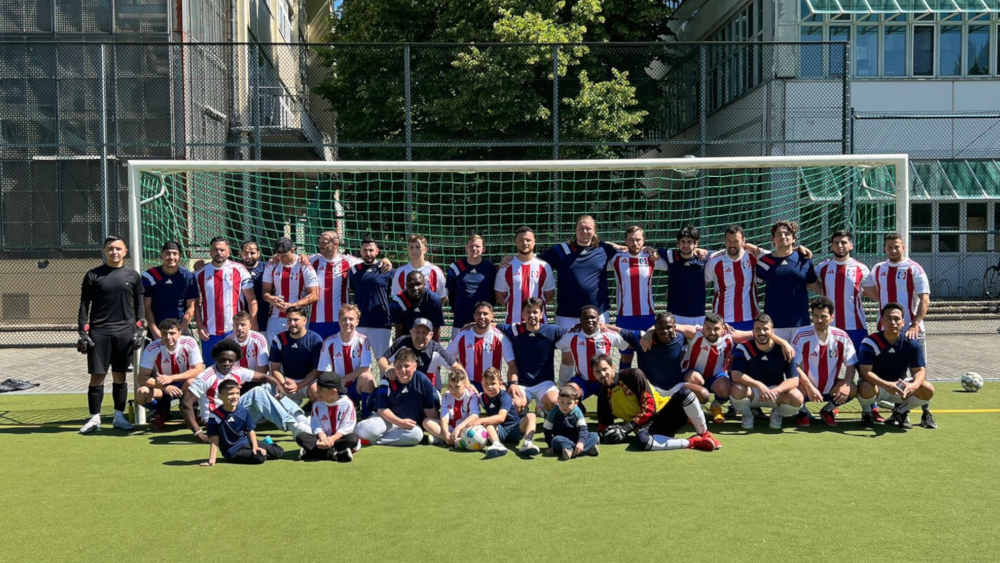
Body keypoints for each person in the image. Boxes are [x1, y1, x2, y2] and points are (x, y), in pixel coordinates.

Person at [861, 233, 933, 424]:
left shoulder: (914, 268)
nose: (893, 250)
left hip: (911, 330)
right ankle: (887, 409)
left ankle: (925, 412)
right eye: (890, 247)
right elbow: (866, 289)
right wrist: (885, 297)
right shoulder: (879, 268)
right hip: (884, 331)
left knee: (919, 372)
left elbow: (924, 298)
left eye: (897, 247)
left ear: (904, 248)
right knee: (880, 371)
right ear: (885, 249)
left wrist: (915, 323)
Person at [77, 235, 145, 434]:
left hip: (125, 331)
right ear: (105, 252)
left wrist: (140, 329)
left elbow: (140, 306)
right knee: (97, 375)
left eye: (118, 248)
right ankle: (94, 417)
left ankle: (118, 416)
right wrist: (83, 331)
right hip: (99, 332)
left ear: (125, 252)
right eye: (110, 249)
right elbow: (83, 305)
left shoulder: (133, 276)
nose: (114, 252)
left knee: (120, 375)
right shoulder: (92, 275)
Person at [182, 339, 311, 441]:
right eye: (223, 360)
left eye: (230, 360)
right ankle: (293, 427)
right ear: (216, 359)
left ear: (235, 360)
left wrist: (277, 384)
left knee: (268, 386)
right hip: (218, 422)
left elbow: (263, 376)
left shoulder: (236, 370)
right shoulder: (206, 376)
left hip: (235, 416)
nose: (227, 363)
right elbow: (186, 403)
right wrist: (198, 433)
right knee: (258, 392)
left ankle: (300, 418)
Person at [682, 312, 793, 424]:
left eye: (716, 328)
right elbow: (674, 326)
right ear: (703, 327)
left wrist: (784, 343)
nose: (712, 332)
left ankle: (715, 406)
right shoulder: (694, 333)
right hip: (693, 374)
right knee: (696, 379)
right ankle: (694, 411)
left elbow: (761, 332)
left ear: (723, 328)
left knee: (725, 388)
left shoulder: (730, 337)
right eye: (708, 328)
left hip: (715, 376)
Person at [592, 356, 720, 451]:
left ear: (612, 367)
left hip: (666, 414)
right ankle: (693, 442)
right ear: (594, 374)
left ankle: (705, 434)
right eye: (598, 372)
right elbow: (604, 426)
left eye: (605, 369)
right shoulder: (603, 395)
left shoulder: (633, 375)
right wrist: (606, 434)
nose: (602, 374)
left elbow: (650, 408)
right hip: (648, 429)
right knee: (643, 441)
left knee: (684, 394)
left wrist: (625, 428)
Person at [857, 303, 936, 429]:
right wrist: (886, 385)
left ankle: (900, 412)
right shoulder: (870, 342)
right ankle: (867, 412)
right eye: (889, 318)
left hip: (900, 386)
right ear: (882, 321)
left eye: (897, 319)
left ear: (903, 322)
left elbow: (920, 371)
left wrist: (912, 385)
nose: (893, 322)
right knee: (865, 387)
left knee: (927, 388)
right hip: (878, 387)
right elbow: (865, 372)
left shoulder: (911, 343)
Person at [540, 215, 618, 330]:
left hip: (597, 314)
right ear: (576, 230)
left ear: (594, 231)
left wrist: (647, 250)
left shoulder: (604, 249)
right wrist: (512, 258)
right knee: (568, 348)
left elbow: (630, 250)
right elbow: (533, 261)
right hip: (567, 315)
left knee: (598, 348)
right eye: (581, 228)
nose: (584, 231)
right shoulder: (560, 250)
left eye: (588, 228)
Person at [730, 314, 806, 431]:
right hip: (753, 392)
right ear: (753, 331)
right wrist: (759, 385)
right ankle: (748, 415)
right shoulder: (744, 347)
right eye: (758, 329)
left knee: (797, 397)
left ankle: (777, 414)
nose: (761, 332)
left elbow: (794, 380)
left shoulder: (784, 349)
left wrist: (776, 391)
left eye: (765, 329)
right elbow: (736, 375)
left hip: (775, 394)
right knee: (737, 389)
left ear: (772, 331)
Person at [792, 297, 858, 428]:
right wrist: (809, 387)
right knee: (790, 391)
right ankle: (802, 412)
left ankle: (828, 410)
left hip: (830, 387)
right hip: (806, 387)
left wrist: (846, 383)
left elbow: (851, 364)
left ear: (832, 317)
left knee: (853, 389)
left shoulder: (841, 336)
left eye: (823, 316)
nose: (819, 320)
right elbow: (795, 366)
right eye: (815, 316)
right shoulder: (801, 335)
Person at [356, 349, 440, 446]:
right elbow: (382, 410)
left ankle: (374, 441)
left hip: (408, 425)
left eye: (406, 366)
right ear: (394, 366)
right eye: (399, 366)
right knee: (365, 429)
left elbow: (429, 413)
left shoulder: (423, 381)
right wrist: (400, 422)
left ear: (415, 366)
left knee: (417, 435)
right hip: (386, 420)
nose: (402, 370)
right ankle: (361, 434)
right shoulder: (387, 379)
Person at [195, 236, 258, 364]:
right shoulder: (200, 273)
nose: (219, 253)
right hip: (209, 332)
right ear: (210, 251)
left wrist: (252, 324)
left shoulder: (240, 270)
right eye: (215, 250)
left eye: (222, 250)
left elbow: (251, 300)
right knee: (211, 370)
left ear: (228, 251)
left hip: (235, 330)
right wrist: (200, 326)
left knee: (235, 368)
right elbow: (195, 304)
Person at [495, 297, 565, 414]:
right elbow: (492, 325)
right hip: (521, 383)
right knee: (513, 406)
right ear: (523, 314)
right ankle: (523, 409)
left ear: (541, 315)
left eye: (535, 312)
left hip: (545, 382)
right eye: (528, 312)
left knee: (555, 403)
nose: (532, 315)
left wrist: (604, 327)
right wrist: (471, 325)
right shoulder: (514, 329)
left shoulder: (552, 331)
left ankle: (542, 406)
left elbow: (574, 332)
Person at [608, 226, 664, 368]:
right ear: (625, 241)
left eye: (638, 240)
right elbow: (600, 246)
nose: (635, 243)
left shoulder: (651, 258)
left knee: (646, 357)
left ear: (644, 241)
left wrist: (653, 250)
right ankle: (623, 389)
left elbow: (674, 261)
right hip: (624, 317)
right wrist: (617, 247)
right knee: (626, 357)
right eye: (631, 240)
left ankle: (646, 389)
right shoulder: (616, 259)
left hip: (647, 317)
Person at [755, 221, 820, 342]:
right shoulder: (764, 262)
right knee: (778, 360)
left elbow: (815, 285)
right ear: (773, 239)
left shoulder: (804, 259)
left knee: (801, 360)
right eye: (779, 234)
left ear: (794, 238)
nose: (783, 236)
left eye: (787, 234)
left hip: (800, 323)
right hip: (774, 324)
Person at [136, 318, 205, 430]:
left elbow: (199, 369)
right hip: (163, 386)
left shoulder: (189, 342)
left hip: (185, 385)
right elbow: (142, 378)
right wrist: (164, 387)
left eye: (172, 333)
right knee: (141, 392)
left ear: (179, 332)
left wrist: (171, 378)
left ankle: (189, 409)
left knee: (192, 381)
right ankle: (161, 412)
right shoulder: (152, 348)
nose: (168, 337)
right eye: (164, 333)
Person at [200, 379, 285, 466]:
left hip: (247, 443)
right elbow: (214, 440)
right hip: (232, 451)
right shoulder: (214, 416)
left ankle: (266, 444)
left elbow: (250, 430)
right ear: (220, 396)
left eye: (237, 393)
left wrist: (255, 446)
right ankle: (263, 450)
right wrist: (212, 459)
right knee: (259, 457)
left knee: (279, 452)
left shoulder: (244, 411)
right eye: (230, 394)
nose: (235, 396)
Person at [556, 305, 630, 402]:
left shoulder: (608, 335)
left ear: (598, 319)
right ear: (580, 320)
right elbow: (555, 345)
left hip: (604, 380)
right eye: (586, 318)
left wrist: (621, 373)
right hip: (582, 381)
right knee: (567, 394)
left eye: (593, 317)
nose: (590, 320)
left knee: (620, 399)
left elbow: (627, 347)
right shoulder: (572, 336)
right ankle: (578, 411)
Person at [317, 305, 377, 418]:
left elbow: (365, 368)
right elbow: (325, 372)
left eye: (351, 319)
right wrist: (337, 384)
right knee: (316, 388)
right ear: (339, 321)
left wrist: (344, 380)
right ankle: (326, 414)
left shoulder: (363, 340)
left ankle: (366, 416)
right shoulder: (329, 342)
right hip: (336, 386)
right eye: (344, 319)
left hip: (355, 385)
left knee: (367, 378)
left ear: (357, 322)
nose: (347, 322)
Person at [815, 230, 871, 352]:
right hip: (829, 326)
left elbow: (872, 292)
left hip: (856, 325)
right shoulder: (822, 267)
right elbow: (810, 283)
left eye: (844, 242)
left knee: (861, 366)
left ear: (851, 245)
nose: (840, 246)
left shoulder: (861, 268)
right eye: (836, 243)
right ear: (831, 246)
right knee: (828, 367)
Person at [446, 301, 518, 391]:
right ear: (474, 316)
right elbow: (447, 357)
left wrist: (512, 384)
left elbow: (511, 365)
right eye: (478, 313)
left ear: (492, 316)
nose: (482, 317)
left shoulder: (500, 338)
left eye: (485, 314)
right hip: (468, 384)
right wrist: (460, 373)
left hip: (492, 384)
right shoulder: (463, 335)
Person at [619, 312, 697, 393]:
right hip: (650, 391)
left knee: (702, 393)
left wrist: (651, 330)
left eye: (669, 327)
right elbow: (619, 331)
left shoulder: (681, 338)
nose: (665, 331)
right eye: (661, 328)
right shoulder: (643, 339)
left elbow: (694, 332)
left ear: (674, 327)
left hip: (675, 389)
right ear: (656, 328)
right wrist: (604, 327)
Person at [262, 237, 319, 344]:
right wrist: (271, 299)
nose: (281, 258)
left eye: (284, 255)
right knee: (273, 352)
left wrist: (293, 305)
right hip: (276, 318)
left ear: (293, 250)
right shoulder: (272, 264)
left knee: (297, 353)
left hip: (297, 317)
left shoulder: (304, 265)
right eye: (279, 254)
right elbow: (265, 292)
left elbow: (315, 295)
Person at [493, 226, 554, 324]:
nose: (525, 243)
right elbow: (500, 296)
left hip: (539, 324)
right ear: (516, 243)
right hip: (513, 323)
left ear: (534, 242)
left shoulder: (544, 267)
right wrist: (515, 306)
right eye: (521, 240)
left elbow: (549, 295)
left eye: (528, 240)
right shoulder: (506, 267)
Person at [704, 225, 759, 332]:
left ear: (743, 241)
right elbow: (702, 283)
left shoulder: (754, 257)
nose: (732, 244)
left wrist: (796, 248)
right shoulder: (715, 261)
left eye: (736, 241)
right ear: (725, 242)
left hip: (750, 319)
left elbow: (777, 255)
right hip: (722, 321)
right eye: (728, 241)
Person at [295, 372, 360, 462]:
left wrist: (332, 439)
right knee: (301, 437)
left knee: (353, 438)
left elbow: (347, 427)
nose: (317, 392)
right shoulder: (317, 405)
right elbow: (316, 425)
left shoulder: (347, 404)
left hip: (339, 438)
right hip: (323, 438)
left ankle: (315, 452)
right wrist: (323, 438)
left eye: (320, 390)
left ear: (333, 391)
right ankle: (336, 453)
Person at [378, 318, 458, 390]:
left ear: (431, 335)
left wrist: (466, 383)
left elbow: (455, 366)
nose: (420, 336)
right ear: (411, 332)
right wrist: (387, 368)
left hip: (425, 389)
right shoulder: (402, 342)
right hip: (402, 386)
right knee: (383, 386)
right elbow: (382, 359)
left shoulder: (435, 349)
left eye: (424, 333)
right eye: (417, 332)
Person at [308, 230, 360, 340]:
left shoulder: (349, 262)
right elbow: (291, 259)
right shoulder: (312, 260)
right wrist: (275, 258)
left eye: (324, 242)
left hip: (340, 320)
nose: (320, 245)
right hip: (316, 320)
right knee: (318, 355)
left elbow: (370, 264)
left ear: (335, 244)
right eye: (320, 242)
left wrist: (384, 261)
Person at [479, 367, 540, 458]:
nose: (489, 387)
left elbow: (501, 417)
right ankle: (497, 445)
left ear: (500, 384)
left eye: (493, 383)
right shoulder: (482, 398)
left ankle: (527, 443)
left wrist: (479, 420)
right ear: (482, 384)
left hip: (515, 429)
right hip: (500, 431)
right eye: (486, 384)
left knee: (531, 415)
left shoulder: (505, 396)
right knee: (488, 424)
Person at [349, 237, 395, 357]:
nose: (368, 253)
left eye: (371, 250)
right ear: (360, 251)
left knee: (385, 363)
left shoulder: (386, 269)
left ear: (377, 251)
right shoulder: (354, 271)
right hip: (360, 324)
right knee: (360, 365)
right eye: (365, 250)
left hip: (382, 323)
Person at [141, 241, 198, 338]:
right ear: (161, 255)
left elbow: (191, 307)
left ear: (179, 256)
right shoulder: (150, 276)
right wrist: (155, 331)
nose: (171, 257)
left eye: (175, 254)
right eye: (167, 253)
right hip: (156, 330)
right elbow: (147, 307)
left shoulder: (188, 276)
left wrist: (181, 329)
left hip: (180, 330)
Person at [268, 306, 324, 404]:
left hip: (307, 383)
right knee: (268, 391)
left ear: (304, 320)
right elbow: (275, 369)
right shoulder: (279, 338)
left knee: (316, 390)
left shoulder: (315, 340)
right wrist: (284, 384)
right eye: (289, 320)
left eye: (296, 320)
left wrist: (299, 385)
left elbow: (317, 371)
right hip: (287, 382)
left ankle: (315, 411)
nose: (292, 323)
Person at [656, 225, 708, 326]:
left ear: (696, 243)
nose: (686, 245)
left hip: (698, 316)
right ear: (678, 243)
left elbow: (722, 253)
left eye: (689, 242)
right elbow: (651, 250)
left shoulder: (704, 258)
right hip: (674, 315)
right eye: (683, 242)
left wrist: (702, 251)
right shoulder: (671, 256)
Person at [448, 233, 498, 328]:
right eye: (471, 246)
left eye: (477, 246)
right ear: (466, 248)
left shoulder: (490, 268)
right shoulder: (455, 267)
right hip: (460, 320)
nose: (474, 249)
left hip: (483, 320)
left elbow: (494, 293)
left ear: (483, 249)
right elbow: (451, 293)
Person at [425, 369, 481, 448]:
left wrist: (458, 428)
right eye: (450, 386)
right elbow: (444, 417)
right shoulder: (446, 396)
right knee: (426, 422)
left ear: (465, 385)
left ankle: (442, 439)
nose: (453, 390)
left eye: (457, 387)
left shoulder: (472, 396)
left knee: (476, 429)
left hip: (464, 428)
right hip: (450, 428)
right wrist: (445, 432)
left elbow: (475, 415)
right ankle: (453, 440)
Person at [543, 385, 599, 460]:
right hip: (562, 439)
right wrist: (550, 446)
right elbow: (547, 430)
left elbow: (583, 429)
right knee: (556, 440)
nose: (564, 406)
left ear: (575, 403)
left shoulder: (577, 412)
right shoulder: (554, 412)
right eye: (561, 402)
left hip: (576, 438)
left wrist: (581, 442)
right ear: (558, 399)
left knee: (594, 435)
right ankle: (586, 449)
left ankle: (571, 451)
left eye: (568, 403)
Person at [391, 234, 448, 303]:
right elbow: (395, 297)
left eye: (418, 247)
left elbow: (443, 296)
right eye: (411, 247)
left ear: (425, 249)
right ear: (408, 250)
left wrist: (434, 310)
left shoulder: (435, 271)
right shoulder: (400, 272)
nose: (414, 250)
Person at [390, 270, 445, 340]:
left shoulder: (434, 300)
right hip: (407, 339)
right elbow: (399, 331)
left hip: (427, 339)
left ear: (424, 284)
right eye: (411, 285)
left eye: (418, 284)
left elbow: (436, 330)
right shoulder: (398, 302)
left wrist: (433, 349)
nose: (415, 288)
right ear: (406, 285)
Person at [224, 311, 270, 379]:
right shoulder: (227, 342)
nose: (239, 328)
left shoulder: (259, 339)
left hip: (256, 379)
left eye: (243, 325)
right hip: (236, 380)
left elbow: (263, 369)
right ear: (233, 326)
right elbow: (225, 368)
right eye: (236, 325)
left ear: (250, 326)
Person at [237, 239, 270, 332]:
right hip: (242, 317)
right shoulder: (235, 268)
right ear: (240, 253)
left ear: (258, 253)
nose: (249, 256)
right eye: (245, 253)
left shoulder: (267, 267)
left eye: (252, 253)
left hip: (264, 315)